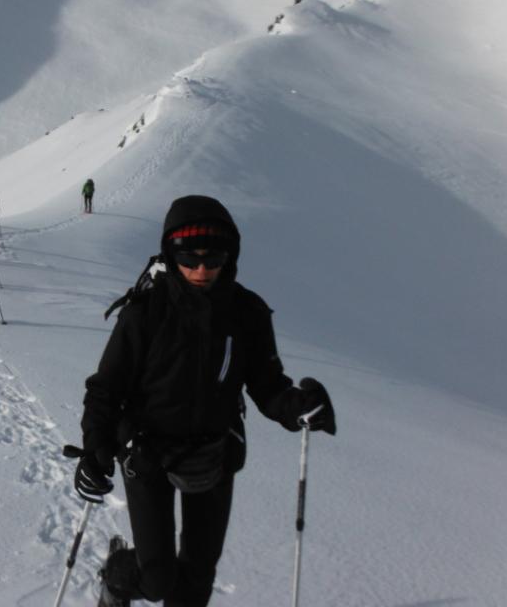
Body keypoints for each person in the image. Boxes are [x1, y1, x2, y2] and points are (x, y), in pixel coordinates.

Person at [75, 195, 336, 607]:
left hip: (214, 451)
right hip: (146, 453)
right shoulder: (145, 313)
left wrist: (297, 407)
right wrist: (95, 451)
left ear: (229, 256)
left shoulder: (246, 312)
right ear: (170, 252)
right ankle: (119, 579)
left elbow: (267, 385)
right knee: (159, 579)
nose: (201, 269)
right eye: (188, 257)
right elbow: (106, 389)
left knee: (197, 577)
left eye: (213, 258)